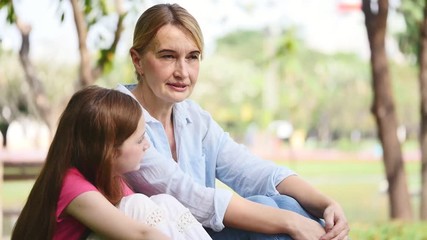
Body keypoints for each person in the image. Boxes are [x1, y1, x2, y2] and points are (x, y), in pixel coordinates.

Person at [119, 3, 350, 240]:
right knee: (274, 215)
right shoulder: (117, 114)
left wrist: (326, 204)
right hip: (163, 234)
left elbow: (252, 172)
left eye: (192, 57)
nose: (183, 72)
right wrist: (291, 222)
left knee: (283, 203)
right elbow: (192, 197)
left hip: (197, 232)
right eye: (168, 56)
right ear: (137, 60)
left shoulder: (193, 117)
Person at [11, 85, 212, 240]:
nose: (147, 145)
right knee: (137, 205)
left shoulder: (108, 178)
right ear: (109, 150)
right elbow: (140, 234)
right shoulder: (71, 185)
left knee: (164, 201)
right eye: (140, 139)